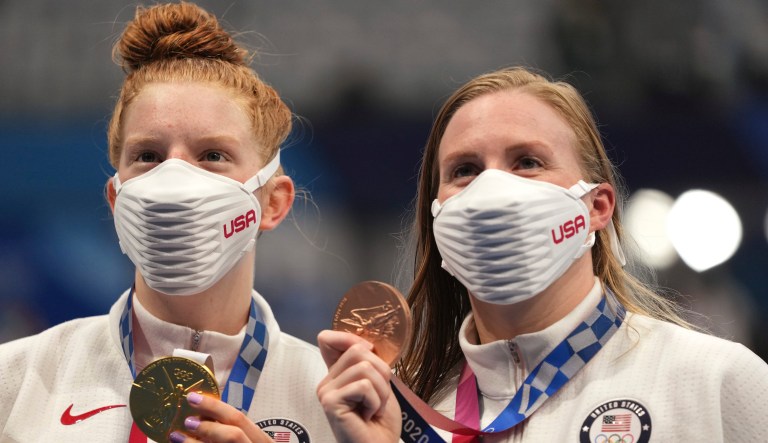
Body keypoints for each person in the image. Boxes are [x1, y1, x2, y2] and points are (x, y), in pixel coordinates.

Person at [316, 67, 768, 442]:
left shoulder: (712, 381)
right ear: (436, 218)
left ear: (596, 208)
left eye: (527, 162)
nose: (491, 191)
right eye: (465, 170)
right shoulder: (402, 414)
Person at [0, 2, 334, 442]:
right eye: (148, 156)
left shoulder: (333, 401)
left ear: (273, 203)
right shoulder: (16, 379)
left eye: (213, 155)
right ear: (116, 199)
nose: (173, 180)